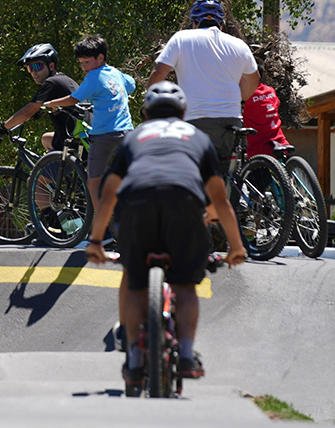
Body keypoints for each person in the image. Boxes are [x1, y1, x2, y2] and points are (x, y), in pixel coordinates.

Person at [86, 82, 247, 396]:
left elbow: (108, 194)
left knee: (134, 279)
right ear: (184, 113)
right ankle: (186, 354)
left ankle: (133, 358)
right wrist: (237, 246)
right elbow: (220, 199)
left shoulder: (133, 138)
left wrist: (94, 241)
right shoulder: (198, 139)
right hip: (184, 205)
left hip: (137, 206)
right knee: (185, 284)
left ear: (145, 114)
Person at [147, 0, 260, 159]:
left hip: (194, 121)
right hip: (232, 121)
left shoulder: (181, 38)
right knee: (226, 172)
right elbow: (253, 80)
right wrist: (241, 99)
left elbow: (159, 73)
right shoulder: (240, 45)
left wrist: (150, 104)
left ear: (194, 23)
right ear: (221, 25)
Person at [41, 35, 135, 207]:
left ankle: (103, 232)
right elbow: (132, 85)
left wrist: (52, 103)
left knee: (93, 184)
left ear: (100, 58)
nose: (83, 67)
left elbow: (73, 99)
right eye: (81, 63)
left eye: (87, 62)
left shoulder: (93, 77)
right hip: (127, 133)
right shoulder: (115, 73)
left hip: (104, 136)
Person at [0, 43, 80, 151]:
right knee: (45, 139)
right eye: (30, 68)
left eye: (37, 66)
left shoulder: (51, 83)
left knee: (47, 165)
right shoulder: (65, 79)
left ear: (51, 66)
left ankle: (56, 167)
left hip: (74, 143)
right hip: (83, 139)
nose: (34, 73)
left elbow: (27, 112)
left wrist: (3, 128)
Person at [242, 72, 291, 158]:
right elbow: (277, 103)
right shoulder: (270, 90)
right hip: (281, 142)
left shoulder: (246, 96)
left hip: (259, 151)